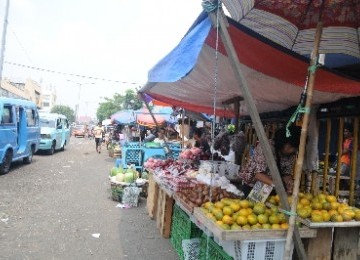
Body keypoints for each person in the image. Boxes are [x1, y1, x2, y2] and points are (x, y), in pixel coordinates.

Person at [239, 125, 301, 196]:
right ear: (283, 142)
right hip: (252, 187)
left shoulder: (291, 154)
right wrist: (277, 186)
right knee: (249, 206)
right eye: (290, 146)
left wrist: (289, 183)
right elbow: (258, 174)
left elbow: (286, 173)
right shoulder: (266, 147)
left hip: (271, 189)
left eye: (294, 148)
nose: (292, 150)